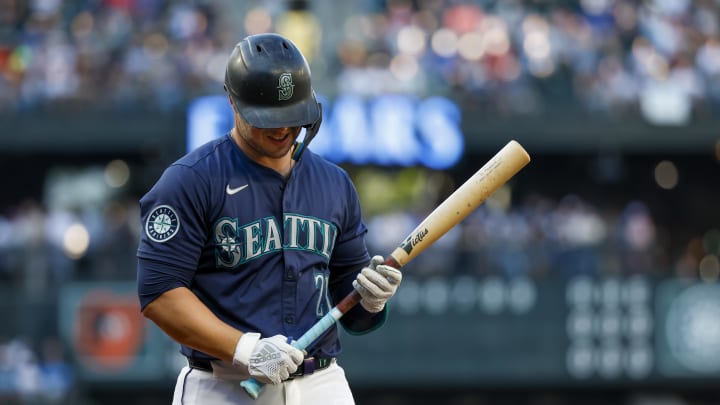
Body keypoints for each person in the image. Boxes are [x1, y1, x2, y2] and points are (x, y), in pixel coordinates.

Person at [136, 33, 402, 405]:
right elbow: (159, 294)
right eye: (267, 119)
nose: (281, 129)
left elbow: (350, 305)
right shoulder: (190, 179)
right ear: (232, 99)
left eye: (292, 117)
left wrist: (371, 300)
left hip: (321, 383)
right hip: (225, 383)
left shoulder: (334, 183)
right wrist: (245, 349)